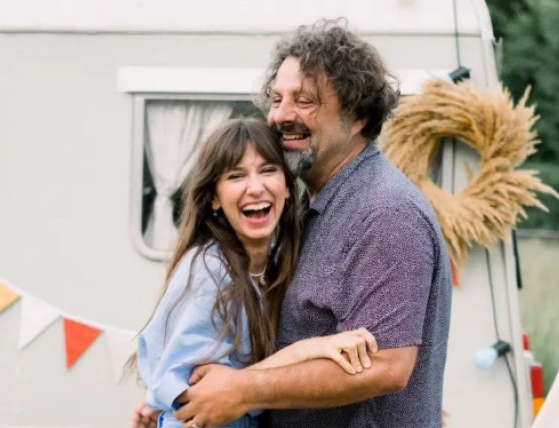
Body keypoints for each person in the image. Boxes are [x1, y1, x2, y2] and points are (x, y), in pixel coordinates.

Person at [164, 19, 453, 428]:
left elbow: (386, 366)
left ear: (358, 115)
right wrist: (176, 402)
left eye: (304, 101)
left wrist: (242, 390)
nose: (281, 115)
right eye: (276, 99)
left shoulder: (386, 212)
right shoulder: (306, 203)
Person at [131, 118, 380, 428]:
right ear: (214, 198)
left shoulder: (274, 265)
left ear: (287, 188)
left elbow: (241, 382)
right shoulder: (210, 269)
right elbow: (195, 395)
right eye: (236, 176)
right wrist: (309, 349)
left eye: (268, 170)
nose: (256, 187)